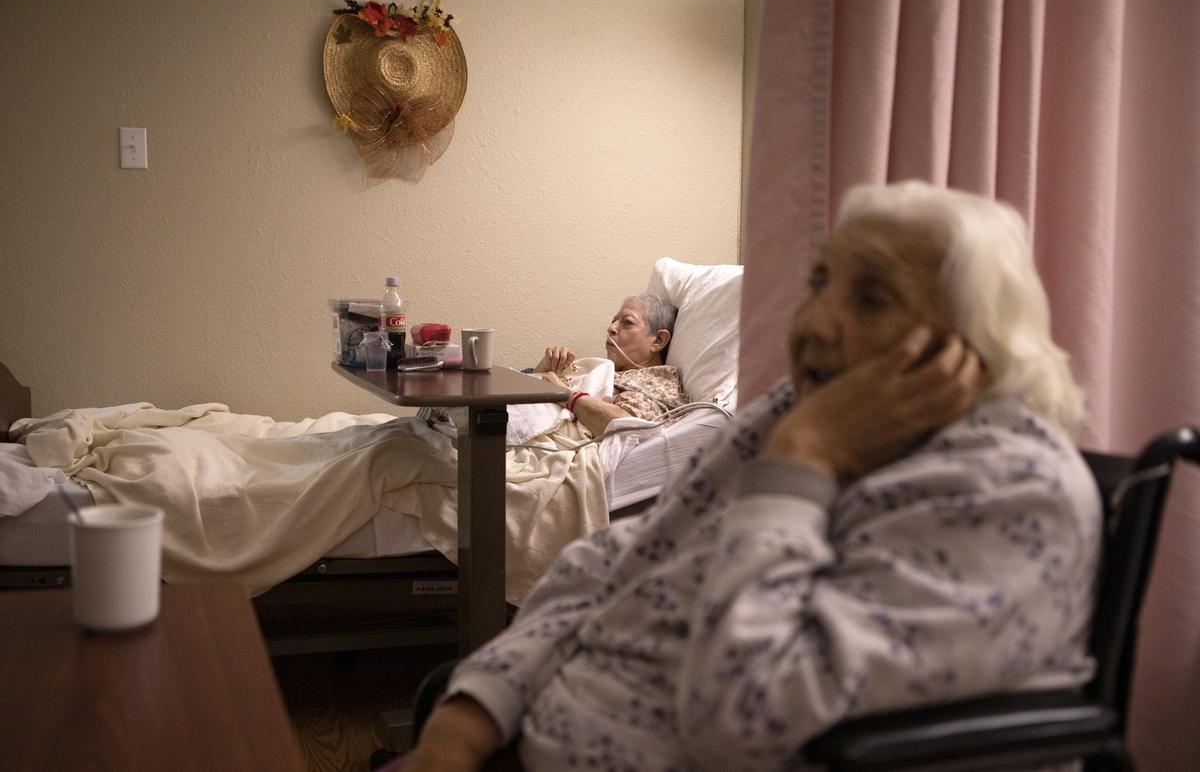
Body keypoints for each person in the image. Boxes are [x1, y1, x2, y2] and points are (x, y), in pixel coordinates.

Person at [404, 181, 1101, 772]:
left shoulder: (1011, 493)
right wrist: (469, 717)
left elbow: (747, 717)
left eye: (873, 299)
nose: (816, 322)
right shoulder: (800, 411)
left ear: (966, 340)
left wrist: (803, 463)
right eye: (821, 283)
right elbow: (622, 554)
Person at [531, 293, 689, 436]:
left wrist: (563, 393)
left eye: (627, 322)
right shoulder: (608, 372)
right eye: (614, 321)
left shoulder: (657, 384)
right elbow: (526, 388)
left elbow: (624, 425)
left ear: (658, 340)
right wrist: (547, 366)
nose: (611, 328)